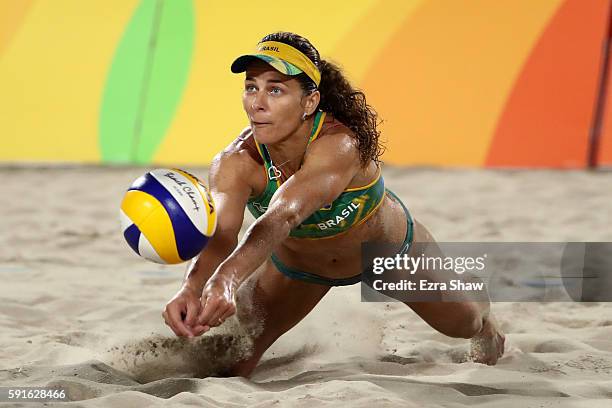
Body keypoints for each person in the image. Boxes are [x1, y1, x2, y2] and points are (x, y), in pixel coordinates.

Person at [162, 31, 505, 377]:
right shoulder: (234, 161)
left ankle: (481, 312)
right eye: (251, 87)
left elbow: (285, 214)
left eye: (275, 89)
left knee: (466, 323)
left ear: (309, 102)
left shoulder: (339, 143)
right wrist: (191, 287)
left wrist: (226, 281)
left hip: (387, 253)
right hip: (301, 269)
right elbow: (222, 233)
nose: (257, 102)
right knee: (232, 363)